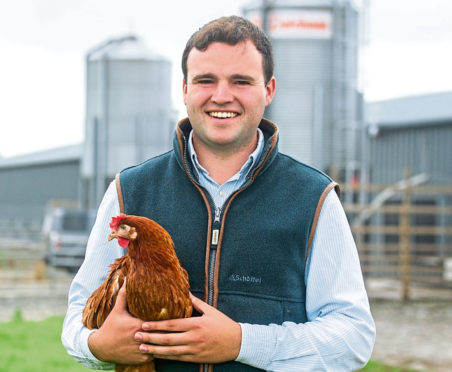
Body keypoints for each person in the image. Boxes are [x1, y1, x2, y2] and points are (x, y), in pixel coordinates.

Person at [62, 15, 375, 371]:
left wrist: (242, 342)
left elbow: (353, 336)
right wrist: (98, 346)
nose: (221, 96)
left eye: (241, 81)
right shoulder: (130, 189)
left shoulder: (313, 199)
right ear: (184, 90)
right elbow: (77, 318)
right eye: (205, 80)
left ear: (269, 90)